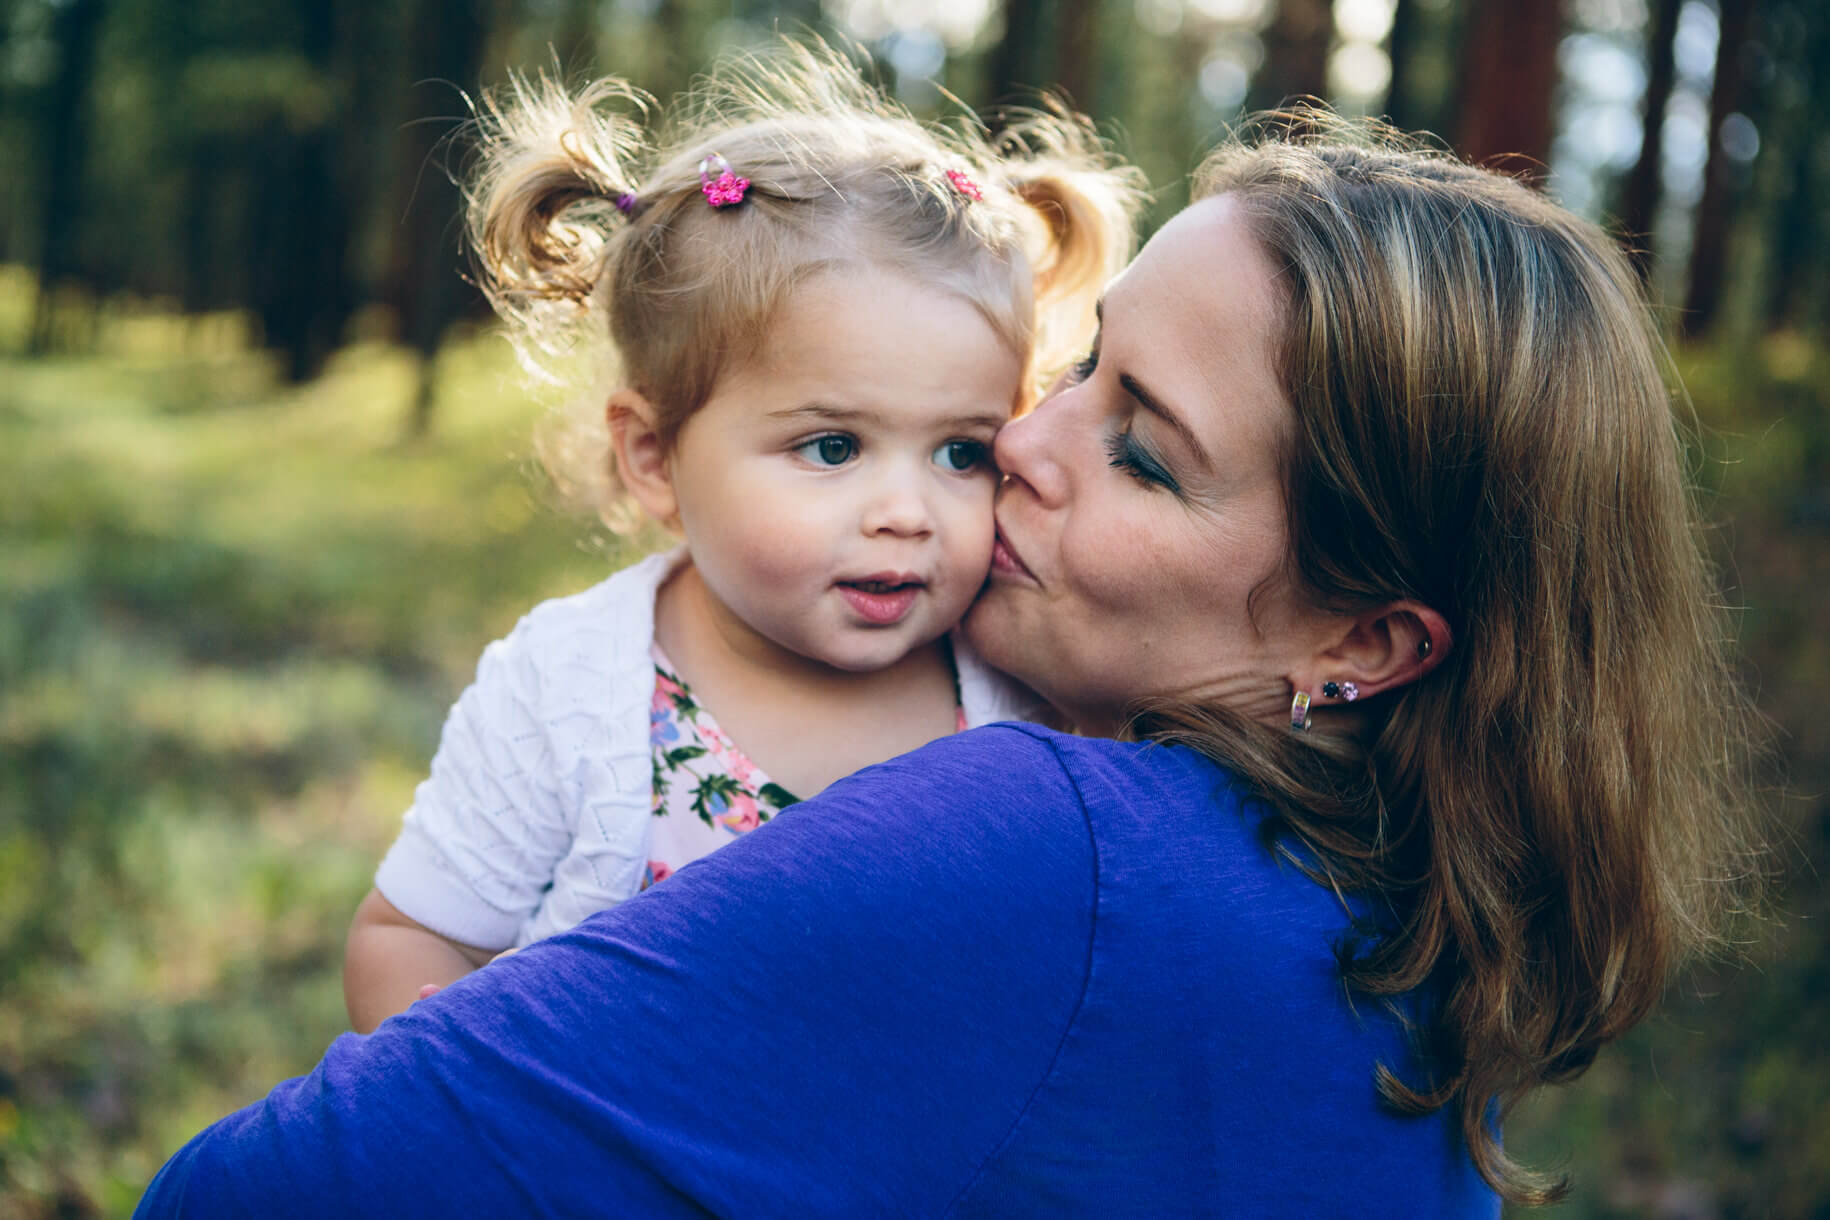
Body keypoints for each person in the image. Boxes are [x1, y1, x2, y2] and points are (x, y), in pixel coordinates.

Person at [137, 114, 1763, 1217]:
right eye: (1084, 369)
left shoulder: (1039, 838)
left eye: (1146, 455)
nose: (1018, 459)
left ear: (1362, 643)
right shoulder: (1389, 939)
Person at [340, 48, 1143, 1032]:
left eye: (961, 451)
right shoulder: (566, 692)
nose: (908, 510)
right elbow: (412, 933)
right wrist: (444, 1051)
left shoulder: (1017, 689)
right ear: (654, 455)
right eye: (834, 445)